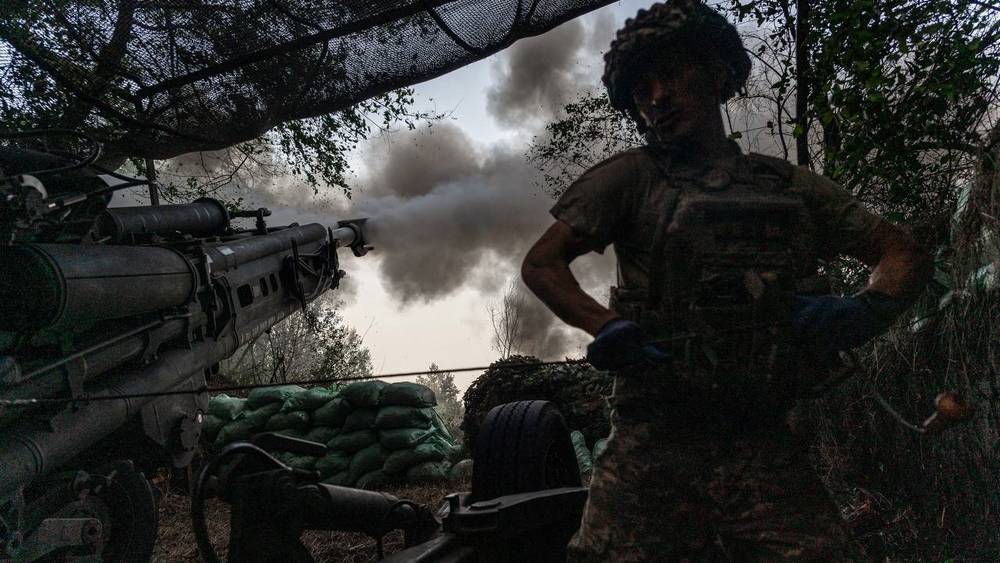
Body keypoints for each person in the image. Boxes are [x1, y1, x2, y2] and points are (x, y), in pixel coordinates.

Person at [520, 1, 932, 560]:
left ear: (716, 72)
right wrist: (606, 325)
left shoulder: (787, 187)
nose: (657, 97)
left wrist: (863, 310)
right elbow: (542, 263)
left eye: (671, 74)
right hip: (653, 444)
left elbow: (900, 251)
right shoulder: (630, 180)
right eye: (642, 90)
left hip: (758, 440)